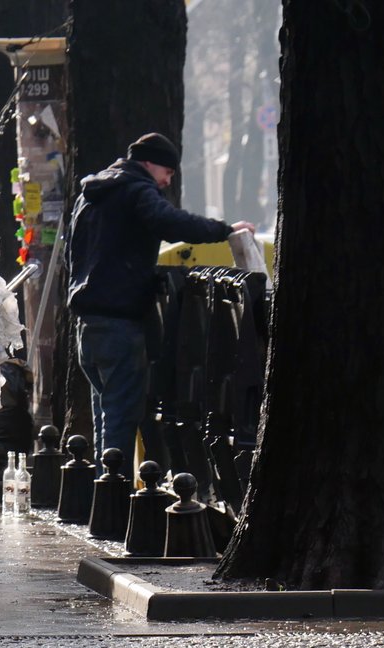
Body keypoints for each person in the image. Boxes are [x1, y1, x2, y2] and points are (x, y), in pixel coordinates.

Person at [65, 132, 256, 472]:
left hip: (86, 324)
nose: (168, 182)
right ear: (149, 163)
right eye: (168, 172)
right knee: (120, 422)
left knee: (105, 417)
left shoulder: (92, 195)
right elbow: (169, 221)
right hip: (121, 322)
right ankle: (115, 511)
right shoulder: (137, 190)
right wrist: (224, 230)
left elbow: (73, 255)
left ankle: (99, 498)